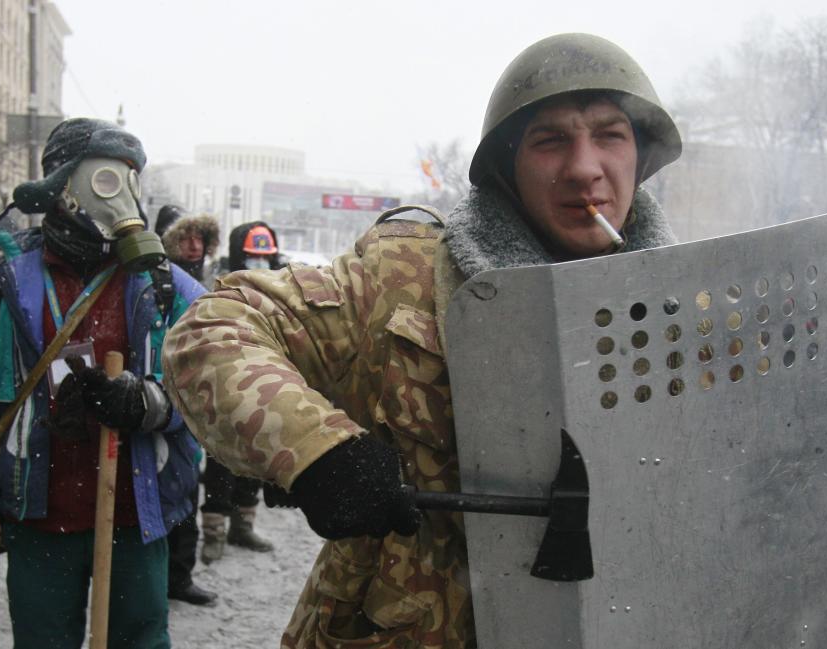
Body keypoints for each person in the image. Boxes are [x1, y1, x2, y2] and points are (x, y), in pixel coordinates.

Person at [162, 33, 681, 649]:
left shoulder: (684, 315)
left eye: (610, 135)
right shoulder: (404, 279)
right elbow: (212, 329)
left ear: (641, 155)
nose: (584, 168)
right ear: (507, 165)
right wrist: (317, 450)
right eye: (551, 140)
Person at [0, 118, 205, 649]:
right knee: (41, 640)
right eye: (107, 181)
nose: (123, 198)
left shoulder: (167, 287)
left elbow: (212, 386)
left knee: (140, 640)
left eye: (133, 181)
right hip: (37, 509)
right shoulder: (3, 282)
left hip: (136, 507)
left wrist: (148, 403)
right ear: (61, 187)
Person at [194, 220, 282, 565]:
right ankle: (214, 530)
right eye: (251, 256)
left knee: (256, 459)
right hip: (225, 387)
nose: (259, 263)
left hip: (265, 387)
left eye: (265, 256)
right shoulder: (217, 287)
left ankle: (243, 525)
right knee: (220, 462)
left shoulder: (281, 289)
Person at [157, 207, 220, 606]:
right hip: (159, 397)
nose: (193, 245)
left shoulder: (211, 281)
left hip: (194, 399)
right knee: (162, 493)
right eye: (185, 238)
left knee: (185, 491)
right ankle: (155, 578)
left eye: (200, 238)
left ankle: (179, 577)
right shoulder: (155, 280)